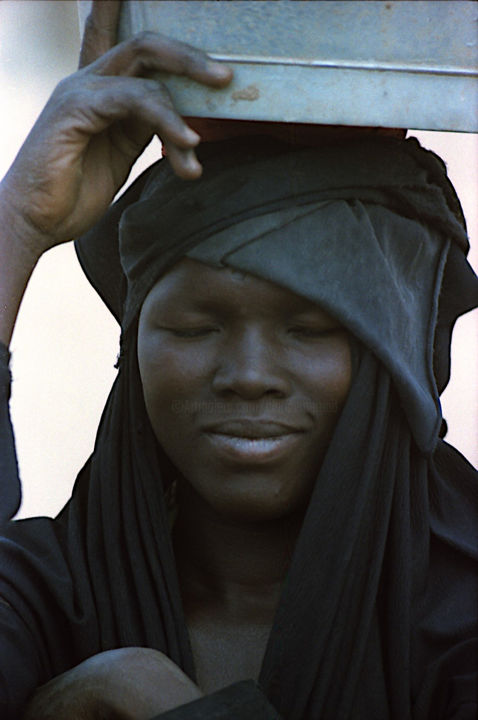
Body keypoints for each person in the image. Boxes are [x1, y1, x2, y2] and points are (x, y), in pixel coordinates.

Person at [0, 4, 477, 719]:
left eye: (311, 329)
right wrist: (17, 222)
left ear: (393, 358)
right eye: (195, 327)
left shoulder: (460, 619)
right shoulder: (44, 597)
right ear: (133, 348)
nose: (249, 373)